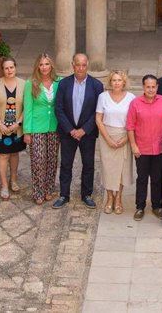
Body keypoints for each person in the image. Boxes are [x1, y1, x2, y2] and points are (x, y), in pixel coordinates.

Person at [53, 53, 104, 209]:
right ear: (72, 65)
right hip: (68, 132)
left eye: (83, 64)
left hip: (87, 133)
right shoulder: (64, 84)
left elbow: (98, 111)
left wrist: (84, 129)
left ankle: (86, 194)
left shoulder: (96, 85)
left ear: (87, 64)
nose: (80, 68)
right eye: (77, 64)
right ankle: (64, 195)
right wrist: (70, 129)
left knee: (88, 164)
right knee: (66, 164)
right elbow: (59, 108)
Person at [126, 74, 162, 221]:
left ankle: (156, 206)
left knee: (157, 178)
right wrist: (133, 145)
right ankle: (140, 207)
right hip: (142, 148)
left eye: (153, 87)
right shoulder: (135, 103)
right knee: (142, 179)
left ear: (157, 87)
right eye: (148, 87)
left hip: (160, 148)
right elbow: (130, 126)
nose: (151, 89)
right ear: (143, 87)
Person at [96, 70, 136, 214]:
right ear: (110, 82)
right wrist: (108, 139)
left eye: (119, 80)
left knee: (122, 169)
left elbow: (134, 121)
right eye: (114, 80)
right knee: (108, 168)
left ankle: (118, 198)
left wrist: (126, 139)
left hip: (124, 135)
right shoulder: (103, 97)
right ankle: (109, 198)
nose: (117, 83)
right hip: (107, 135)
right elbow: (98, 119)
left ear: (124, 82)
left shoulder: (131, 97)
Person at [0, 57, 26, 201]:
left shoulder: (24, 84)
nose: (9, 70)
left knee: (14, 154)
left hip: (16, 127)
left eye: (11, 67)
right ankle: (4, 185)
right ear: (2, 70)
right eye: (6, 68)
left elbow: (27, 107)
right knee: (3, 155)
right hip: (0, 128)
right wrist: (0, 124)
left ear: (15, 67)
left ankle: (13, 180)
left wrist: (19, 123)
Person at [23, 54, 61, 205]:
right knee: (38, 159)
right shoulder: (30, 83)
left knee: (52, 159)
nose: (44, 67)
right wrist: (27, 131)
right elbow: (28, 109)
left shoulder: (59, 82)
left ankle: (48, 189)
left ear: (51, 65)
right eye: (41, 64)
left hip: (54, 126)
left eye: (47, 64)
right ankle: (38, 191)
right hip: (37, 127)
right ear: (37, 67)